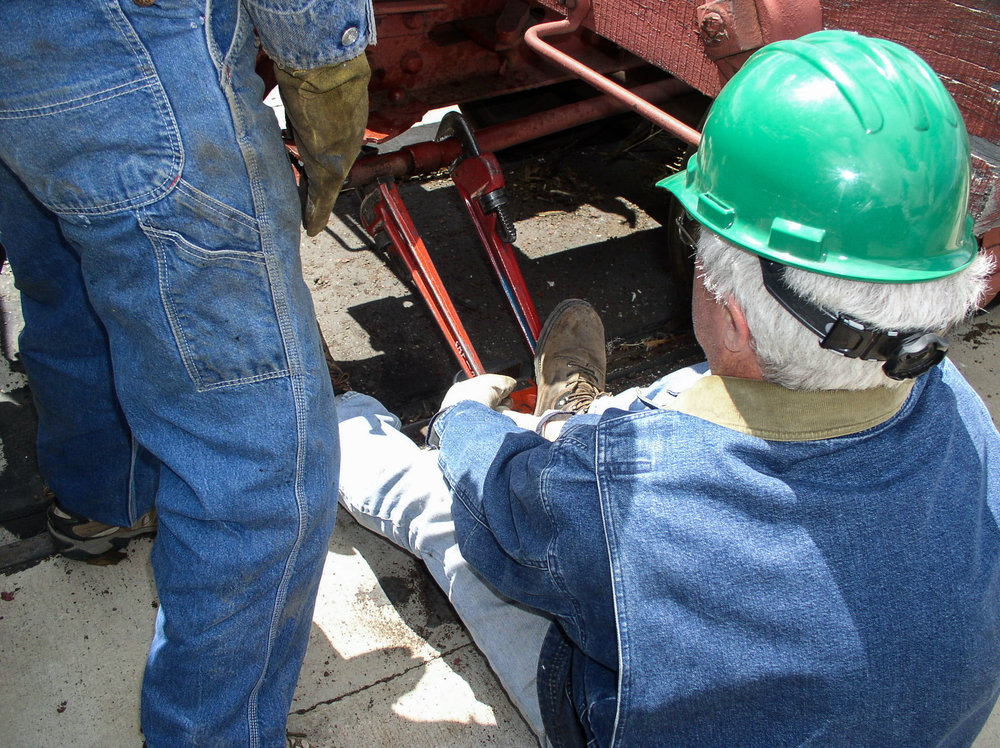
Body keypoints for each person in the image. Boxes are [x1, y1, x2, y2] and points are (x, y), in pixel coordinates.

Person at [333, 30, 1000, 747]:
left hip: (616, 654)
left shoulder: (635, 494)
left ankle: (347, 430)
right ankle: (571, 431)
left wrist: (462, 421)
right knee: (697, 416)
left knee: (466, 527)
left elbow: (503, 501)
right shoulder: (960, 406)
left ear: (733, 312)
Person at [0, 0, 371, 744]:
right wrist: (325, 57)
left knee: (71, 279)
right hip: (127, 54)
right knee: (261, 466)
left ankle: (100, 501)